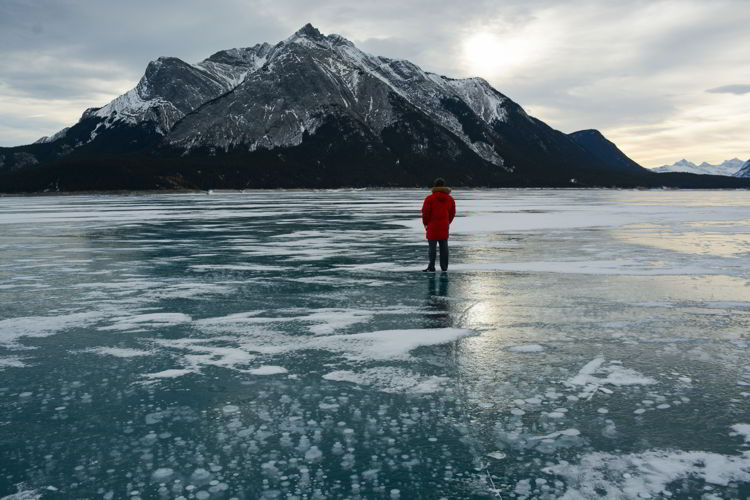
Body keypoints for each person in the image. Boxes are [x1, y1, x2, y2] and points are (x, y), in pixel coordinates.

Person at [421, 178, 456, 272]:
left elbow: (425, 213)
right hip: (444, 225)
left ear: (435, 185)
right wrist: (447, 222)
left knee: (432, 248)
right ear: (444, 185)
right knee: (444, 247)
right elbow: (452, 213)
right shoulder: (450, 199)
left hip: (432, 225)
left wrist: (426, 223)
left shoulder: (430, 198)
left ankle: (431, 266)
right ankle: (444, 267)